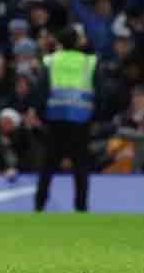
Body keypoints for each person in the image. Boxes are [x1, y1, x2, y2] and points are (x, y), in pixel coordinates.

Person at [35, 26, 97, 212]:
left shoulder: (51, 61)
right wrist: (94, 118)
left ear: (60, 42)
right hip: (81, 120)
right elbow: (100, 91)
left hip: (56, 119)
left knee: (48, 166)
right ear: (78, 41)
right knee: (81, 167)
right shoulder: (89, 62)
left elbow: (41, 90)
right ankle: (81, 207)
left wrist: (42, 115)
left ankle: (39, 205)